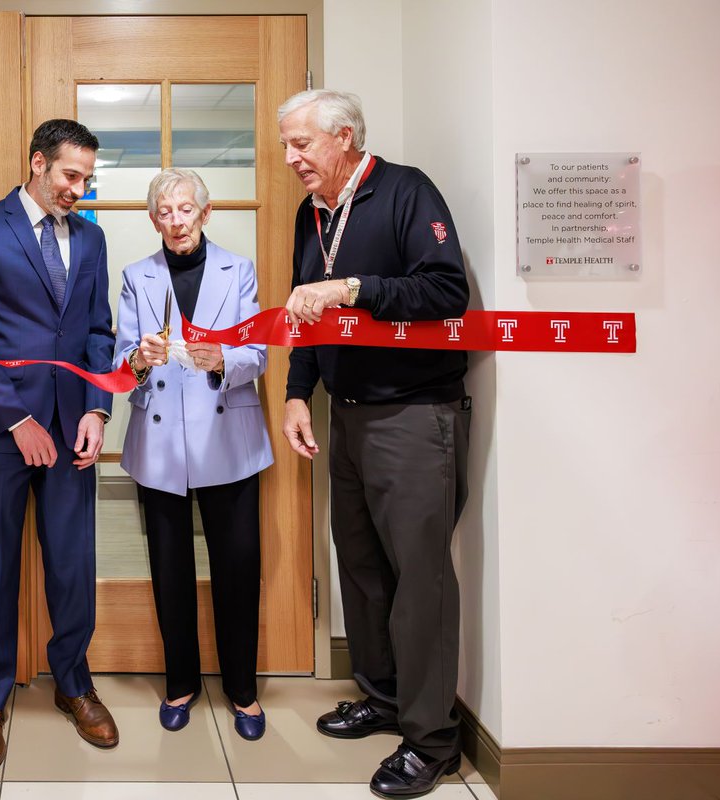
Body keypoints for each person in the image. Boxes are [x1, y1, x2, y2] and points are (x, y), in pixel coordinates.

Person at [277, 89, 471, 799]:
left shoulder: (406, 192)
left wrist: (353, 288)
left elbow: (446, 293)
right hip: (348, 416)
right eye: (287, 147)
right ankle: (384, 698)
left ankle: (433, 741)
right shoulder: (313, 213)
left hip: (415, 417)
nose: (292, 159)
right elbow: (305, 308)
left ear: (345, 137)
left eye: (302, 145)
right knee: (360, 567)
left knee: (420, 582)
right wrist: (300, 392)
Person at [0, 119, 117, 771]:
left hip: (73, 429)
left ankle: (73, 683)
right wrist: (18, 419)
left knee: (72, 564)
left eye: (87, 179)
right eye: (70, 175)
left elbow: (100, 332)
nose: (79, 188)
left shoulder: (94, 240)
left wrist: (98, 409)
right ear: (38, 164)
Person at [114, 169, 273, 741]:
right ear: (153, 219)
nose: (176, 221)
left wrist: (222, 362)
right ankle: (180, 681)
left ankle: (243, 691)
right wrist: (140, 359)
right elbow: (120, 369)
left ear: (205, 214)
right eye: (165, 211)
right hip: (159, 440)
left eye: (186, 210)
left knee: (237, 567)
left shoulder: (239, 269)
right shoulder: (136, 276)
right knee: (170, 569)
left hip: (227, 436)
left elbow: (257, 351)